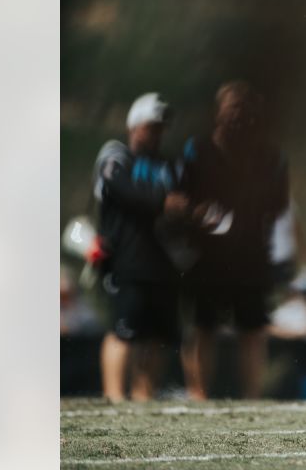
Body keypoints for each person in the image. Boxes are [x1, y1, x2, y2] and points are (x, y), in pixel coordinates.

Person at [180, 81, 290, 399]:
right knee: (204, 325)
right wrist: (195, 212)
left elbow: (280, 203)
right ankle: (198, 393)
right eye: (232, 108)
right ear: (218, 112)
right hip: (208, 255)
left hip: (252, 253)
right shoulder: (198, 150)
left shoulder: (270, 156)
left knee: (252, 328)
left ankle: (252, 394)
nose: (238, 116)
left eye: (245, 109)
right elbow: (179, 196)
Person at [93, 92, 187, 401]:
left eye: (161, 127)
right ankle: (114, 395)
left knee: (155, 335)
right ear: (134, 126)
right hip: (126, 259)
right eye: (151, 126)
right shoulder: (116, 156)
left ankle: (144, 395)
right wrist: (163, 202)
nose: (157, 132)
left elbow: (183, 201)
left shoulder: (168, 164)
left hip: (162, 262)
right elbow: (122, 189)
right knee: (123, 330)